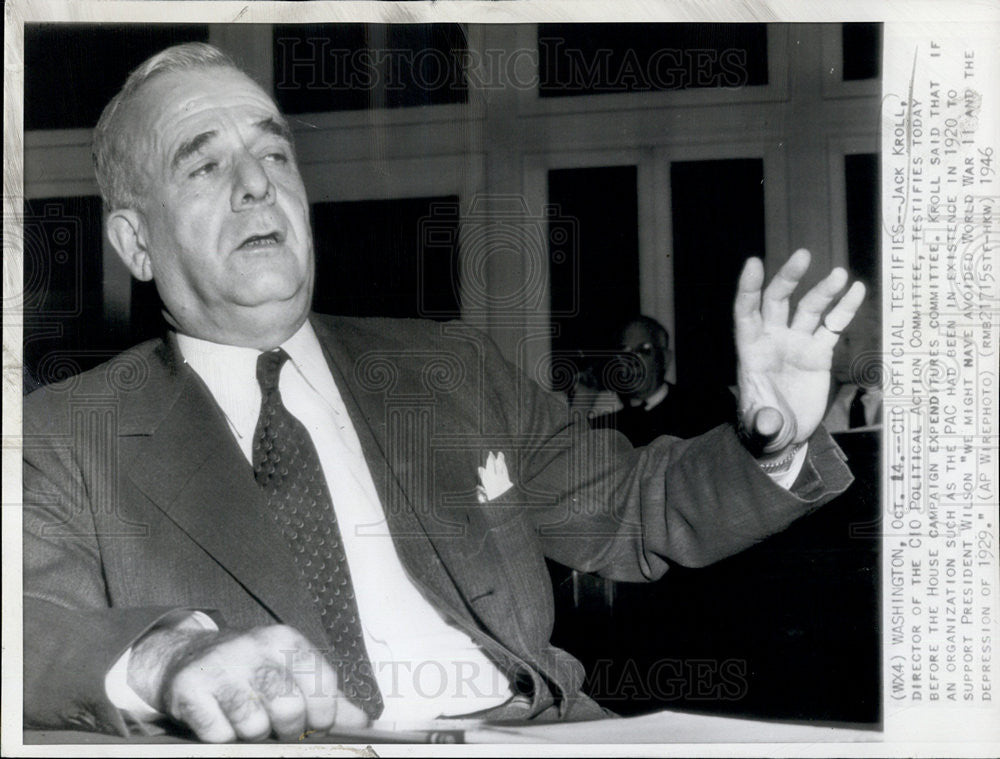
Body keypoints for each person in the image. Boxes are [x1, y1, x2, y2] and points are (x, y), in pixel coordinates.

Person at [22, 43, 866, 743]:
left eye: (274, 152)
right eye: (204, 164)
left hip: (536, 732)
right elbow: (21, 630)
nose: (257, 183)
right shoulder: (66, 433)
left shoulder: (447, 369)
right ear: (134, 242)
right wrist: (164, 658)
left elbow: (637, 510)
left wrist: (774, 441)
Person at [591, 315, 737, 444]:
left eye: (644, 350)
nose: (632, 361)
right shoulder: (606, 427)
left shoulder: (704, 405)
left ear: (665, 359)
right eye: (624, 352)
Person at [822, 294, 882, 431]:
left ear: (875, 342)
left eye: (848, 340)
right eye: (833, 343)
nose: (836, 353)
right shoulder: (839, 400)